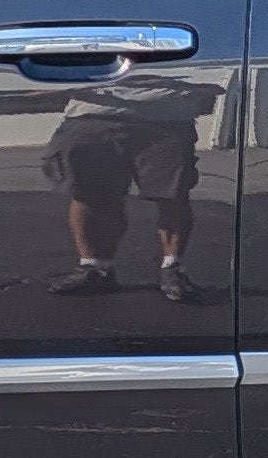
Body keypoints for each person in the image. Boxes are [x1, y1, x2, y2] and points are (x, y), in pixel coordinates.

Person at [39, 75, 212, 300]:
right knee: (86, 193)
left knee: (172, 193)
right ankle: (94, 268)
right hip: (90, 112)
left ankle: (173, 268)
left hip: (167, 115)